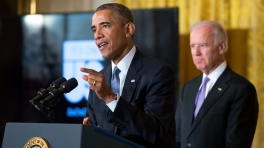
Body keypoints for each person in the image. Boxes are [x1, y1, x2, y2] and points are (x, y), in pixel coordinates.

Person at [80, 3, 176, 147]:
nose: (97, 35)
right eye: (94, 29)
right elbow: (96, 130)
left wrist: (110, 98)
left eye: (105, 26)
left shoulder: (157, 72)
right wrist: (90, 132)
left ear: (128, 29)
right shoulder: (100, 78)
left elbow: (156, 132)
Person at [176, 20, 259, 148]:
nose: (196, 52)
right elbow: (177, 138)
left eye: (203, 45)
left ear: (222, 47)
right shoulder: (189, 88)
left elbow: (236, 145)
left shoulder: (241, 90)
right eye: (193, 46)